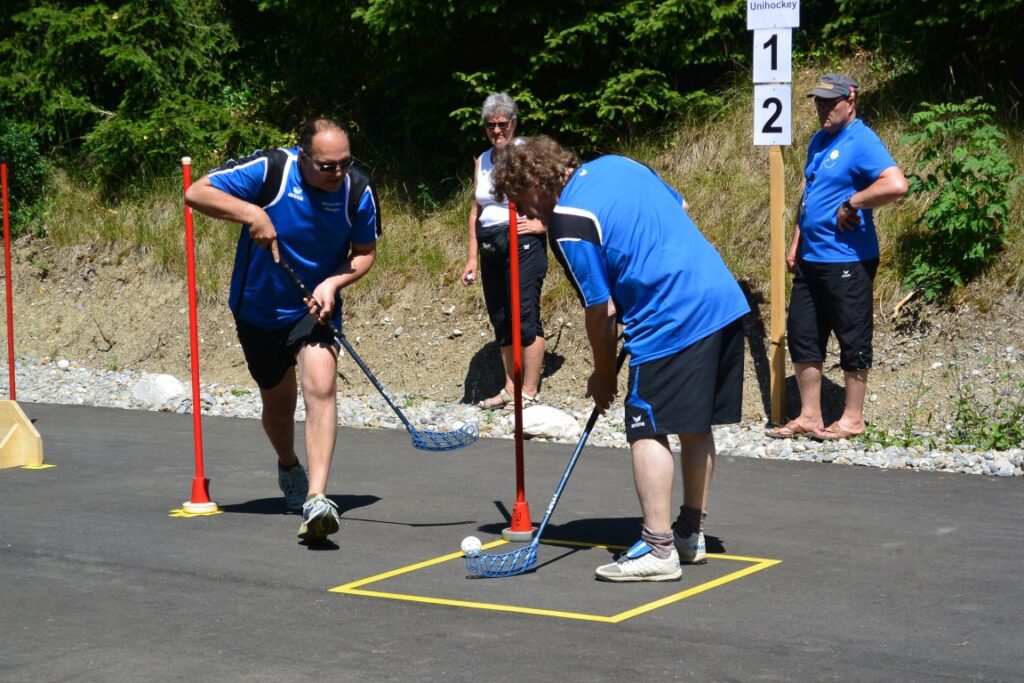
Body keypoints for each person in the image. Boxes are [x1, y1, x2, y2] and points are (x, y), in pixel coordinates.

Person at [491, 136, 750, 582]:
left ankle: (658, 546)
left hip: (671, 316)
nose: (526, 213)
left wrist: (604, 375)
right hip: (721, 298)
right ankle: (689, 533)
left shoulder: (569, 220)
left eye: (520, 201)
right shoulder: (620, 164)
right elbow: (680, 208)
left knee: (647, 422)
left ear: (535, 183)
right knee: (694, 424)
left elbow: (601, 310)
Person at [184, 118, 380, 542]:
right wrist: (251, 212)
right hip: (258, 308)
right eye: (328, 166)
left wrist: (332, 283)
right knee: (277, 406)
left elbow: (364, 253)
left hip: (314, 308)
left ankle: (317, 499)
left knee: (321, 386)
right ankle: (290, 465)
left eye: (345, 163)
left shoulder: (358, 189)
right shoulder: (272, 170)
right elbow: (196, 192)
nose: (339, 173)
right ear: (303, 155)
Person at [767, 74, 908, 441]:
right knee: (803, 334)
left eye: (830, 102)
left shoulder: (861, 140)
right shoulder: (819, 141)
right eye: (818, 102)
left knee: (852, 335)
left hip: (847, 258)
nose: (822, 109)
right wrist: (798, 240)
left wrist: (854, 201)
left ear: (851, 101)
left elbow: (896, 184)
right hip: (812, 258)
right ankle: (810, 415)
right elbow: (811, 195)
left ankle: (852, 419)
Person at [460, 93, 548, 409]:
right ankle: (510, 387)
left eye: (502, 124)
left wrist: (542, 224)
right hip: (490, 245)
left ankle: (529, 390)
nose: (496, 131)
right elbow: (475, 210)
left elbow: (557, 192)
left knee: (523, 316)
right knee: (501, 317)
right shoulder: (482, 160)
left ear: (513, 123)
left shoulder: (528, 154)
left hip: (523, 243)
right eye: (490, 126)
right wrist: (471, 258)